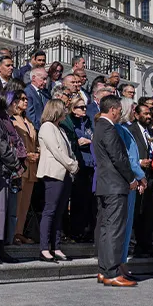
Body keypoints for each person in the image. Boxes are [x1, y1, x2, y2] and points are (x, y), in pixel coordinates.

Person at [93, 95, 137, 287]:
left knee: (105, 229)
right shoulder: (109, 129)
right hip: (115, 186)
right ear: (112, 109)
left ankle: (104, 271)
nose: (120, 113)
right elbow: (119, 157)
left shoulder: (99, 128)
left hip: (105, 185)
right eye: (119, 110)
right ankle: (111, 272)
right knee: (114, 230)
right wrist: (132, 178)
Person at [37, 99, 79, 263]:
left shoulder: (59, 129)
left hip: (64, 174)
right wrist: (72, 165)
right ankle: (44, 248)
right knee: (50, 210)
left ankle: (56, 246)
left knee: (59, 211)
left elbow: (67, 150)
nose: (66, 112)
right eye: (63, 109)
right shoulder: (47, 127)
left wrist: (72, 163)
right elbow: (57, 150)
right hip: (54, 173)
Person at [0, 90, 25, 263]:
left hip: (9, 171)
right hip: (2, 170)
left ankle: (2, 246)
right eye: (17, 101)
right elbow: (3, 146)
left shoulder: (8, 120)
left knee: (6, 210)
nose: (21, 104)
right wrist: (16, 164)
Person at [115, 98, 146, 276]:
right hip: (127, 181)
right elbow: (128, 158)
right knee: (123, 224)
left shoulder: (125, 129)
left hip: (131, 180)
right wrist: (141, 177)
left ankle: (123, 260)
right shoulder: (120, 130)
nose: (135, 111)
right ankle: (119, 261)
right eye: (133, 108)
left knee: (128, 223)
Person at [129, 104, 153, 258]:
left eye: (150, 114)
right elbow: (127, 152)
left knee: (149, 213)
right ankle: (134, 245)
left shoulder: (150, 131)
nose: (149, 116)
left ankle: (147, 245)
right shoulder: (131, 130)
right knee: (137, 212)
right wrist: (139, 162)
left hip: (152, 176)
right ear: (136, 115)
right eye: (146, 114)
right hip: (138, 176)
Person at [11, 89, 39, 245]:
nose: (25, 101)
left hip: (32, 167)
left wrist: (37, 152)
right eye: (21, 99)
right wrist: (26, 155)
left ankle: (19, 231)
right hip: (20, 164)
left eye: (26, 99)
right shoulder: (13, 120)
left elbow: (35, 142)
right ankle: (13, 232)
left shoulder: (28, 121)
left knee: (25, 203)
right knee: (17, 202)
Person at [69, 95, 96, 242]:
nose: (84, 109)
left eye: (85, 107)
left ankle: (87, 230)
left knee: (89, 200)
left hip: (90, 162)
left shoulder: (87, 121)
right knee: (78, 199)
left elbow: (92, 136)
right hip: (79, 163)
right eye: (81, 107)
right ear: (73, 108)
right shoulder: (71, 121)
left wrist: (89, 141)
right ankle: (76, 231)